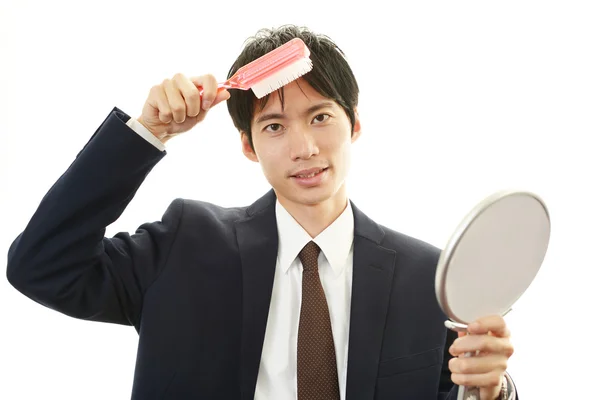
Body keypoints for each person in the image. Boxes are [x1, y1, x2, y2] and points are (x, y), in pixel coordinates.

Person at [6, 25, 517, 400]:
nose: (304, 147)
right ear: (248, 146)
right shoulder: (185, 245)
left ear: (355, 123)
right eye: (274, 126)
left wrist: (493, 392)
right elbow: (41, 267)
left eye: (320, 117)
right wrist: (148, 131)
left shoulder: (429, 279)